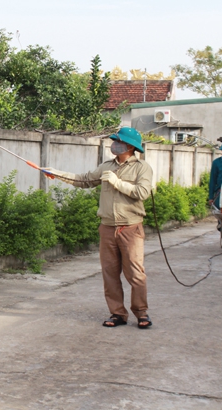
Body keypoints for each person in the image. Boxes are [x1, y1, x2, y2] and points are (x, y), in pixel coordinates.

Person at [43, 127, 153, 329]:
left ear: (130, 146)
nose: (114, 144)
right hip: (108, 228)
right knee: (110, 273)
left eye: (118, 141)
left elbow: (143, 192)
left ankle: (141, 312)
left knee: (135, 274)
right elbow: (84, 180)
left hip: (130, 228)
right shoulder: (106, 166)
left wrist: (117, 182)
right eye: (114, 141)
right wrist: (57, 174)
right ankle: (117, 313)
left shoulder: (141, 168)